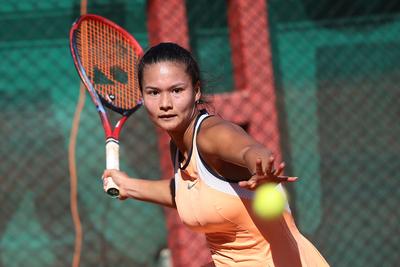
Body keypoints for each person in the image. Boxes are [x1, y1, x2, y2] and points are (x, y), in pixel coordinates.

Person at [102, 42, 330, 267]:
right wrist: (129, 186)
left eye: (176, 90)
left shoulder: (210, 135)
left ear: (196, 90)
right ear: (142, 94)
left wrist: (261, 168)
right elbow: (185, 192)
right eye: (154, 92)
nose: (165, 103)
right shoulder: (180, 146)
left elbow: (251, 151)